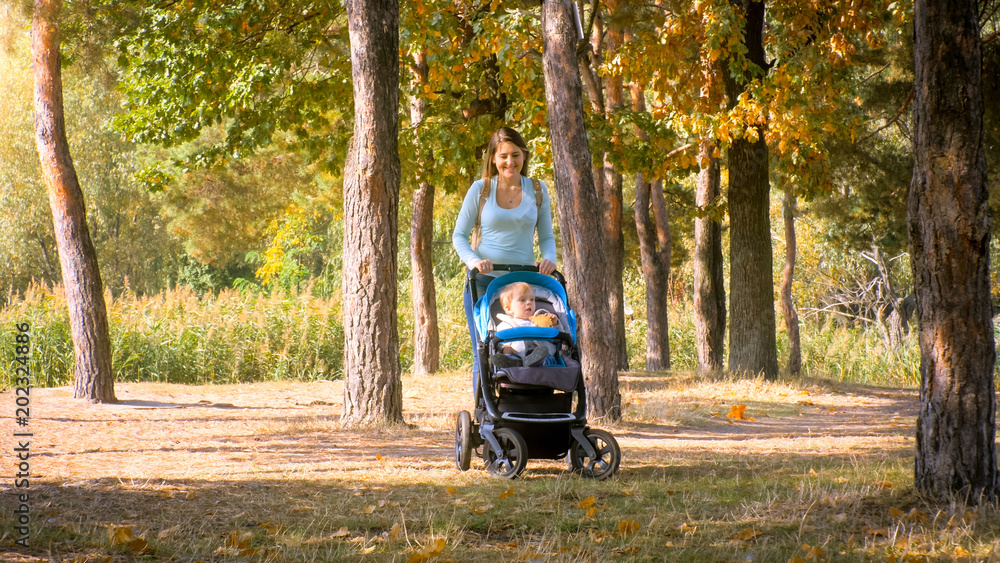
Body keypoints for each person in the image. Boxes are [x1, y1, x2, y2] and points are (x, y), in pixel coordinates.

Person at [452, 127, 558, 379]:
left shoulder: (538, 190)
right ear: (493, 159)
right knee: (484, 350)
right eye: (503, 156)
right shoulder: (480, 189)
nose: (510, 162)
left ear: (524, 155)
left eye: (515, 155)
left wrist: (549, 258)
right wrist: (475, 261)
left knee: (528, 343)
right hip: (484, 283)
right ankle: (485, 410)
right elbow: (459, 236)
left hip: (522, 285)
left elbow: (546, 237)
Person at [491, 282, 560, 368]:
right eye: (522, 300)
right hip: (518, 355)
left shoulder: (541, 319)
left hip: (542, 355)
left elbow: (557, 338)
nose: (529, 303)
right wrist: (503, 348)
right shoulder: (505, 324)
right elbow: (496, 341)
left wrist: (554, 324)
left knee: (548, 359)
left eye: (532, 299)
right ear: (509, 309)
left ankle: (532, 362)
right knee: (509, 357)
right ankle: (515, 363)